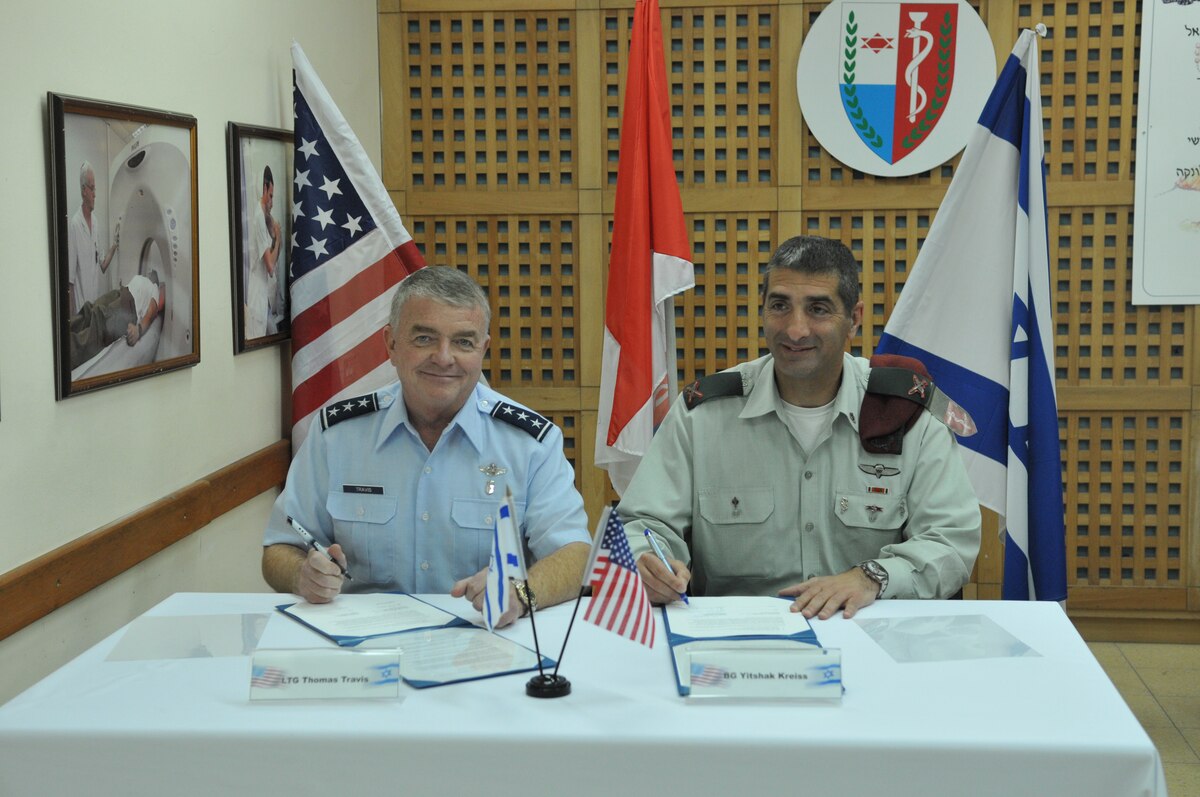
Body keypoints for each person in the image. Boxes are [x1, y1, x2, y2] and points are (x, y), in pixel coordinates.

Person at [618, 235, 981, 620]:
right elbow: (643, 523)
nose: (795, 330)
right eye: (780, 306)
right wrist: (646, 562)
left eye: (818, 309)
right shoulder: (702, 416)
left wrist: (872, 577)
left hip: (866, 633)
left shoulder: (907, 414)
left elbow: (951, 542)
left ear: (854, 318)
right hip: (738, 637)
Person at [262, 266, 592, 628]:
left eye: (463, 342)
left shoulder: (530, 443)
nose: (444, 357)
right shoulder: (337, 435)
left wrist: (521, 592)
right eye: (424, 338)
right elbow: (280, 548)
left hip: (483, 636)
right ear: (390, 344)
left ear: (483, 350)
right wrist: (302, 576)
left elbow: (575, 555)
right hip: (363, 641)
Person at [68, 270, 165, 370]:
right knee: (90, 310)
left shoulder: (155, 291)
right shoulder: (146, 282)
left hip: (128, 307)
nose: (149, 273)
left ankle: (66, 351)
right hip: (121, 292)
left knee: (98, 328)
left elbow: (150, 313)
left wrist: (138, 331)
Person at [67, 161, 120, 316]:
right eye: (92, 188)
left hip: (94, 308)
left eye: (95, 189)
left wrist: (115, 244)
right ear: (84, 190)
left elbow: (102, 265)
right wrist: (72, 320)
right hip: (81, 311)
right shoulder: (75, 225)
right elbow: (70, 281)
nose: (95, 194)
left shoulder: (95, 223)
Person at [245, 165, 281, 339]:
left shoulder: (264, 216)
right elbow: (270, 266)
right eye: (271, 196)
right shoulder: (259, 218)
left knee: (273, 333)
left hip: (264, 297)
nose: (272, 202)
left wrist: (275, 237)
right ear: (265, 189)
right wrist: (278, 238)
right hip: (257, 297)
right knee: (261, 338)